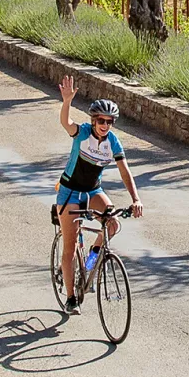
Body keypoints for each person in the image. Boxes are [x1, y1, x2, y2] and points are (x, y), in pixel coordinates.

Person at [56, 75, 143, 314]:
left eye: (110, 121)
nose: (105, 125)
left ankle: (90, 265)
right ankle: (72, 297)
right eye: (101, 120)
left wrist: (135, 199)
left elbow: (125, 172)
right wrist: (66, 102)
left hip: (93, 191)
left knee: (112, 224)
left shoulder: (113, 142)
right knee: (70, 245)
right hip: (70, 192)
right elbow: (66, 123)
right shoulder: (83, 133)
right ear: (93, 120)